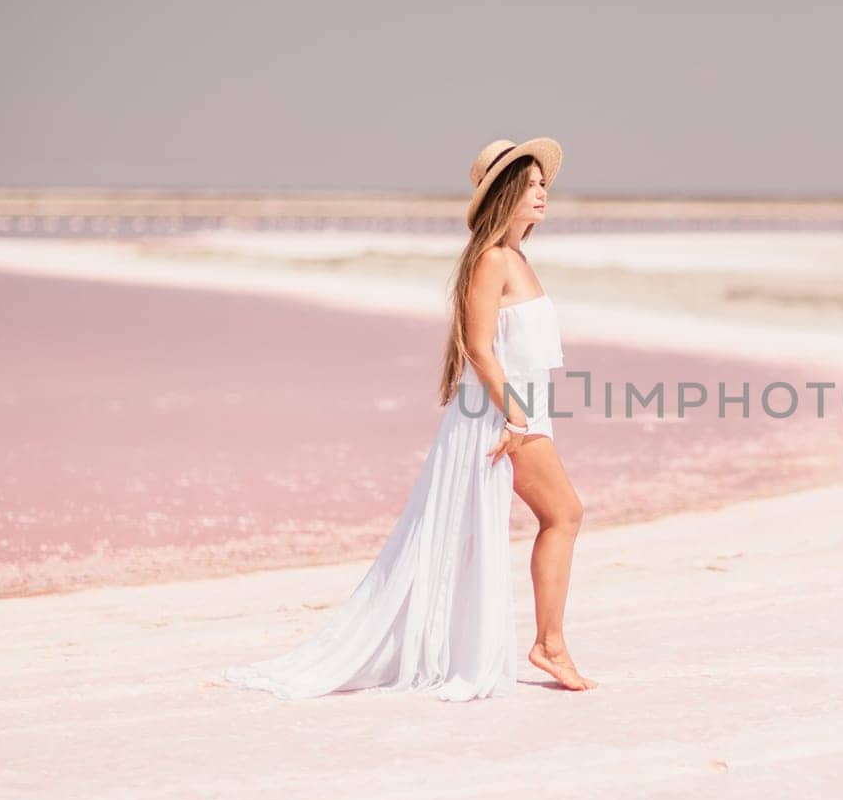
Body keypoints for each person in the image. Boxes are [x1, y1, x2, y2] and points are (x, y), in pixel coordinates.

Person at [219, 137, 597, 699]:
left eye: (546, 184)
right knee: (564, 514)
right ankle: (549, 644)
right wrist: (516, 420)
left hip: (521, 413)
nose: (543, 193)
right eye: (533, 183)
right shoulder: (492, 259)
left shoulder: (517, 258)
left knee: (529, 523)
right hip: (499, 417)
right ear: (505, 192)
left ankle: (533, 641)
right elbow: (479, 350)